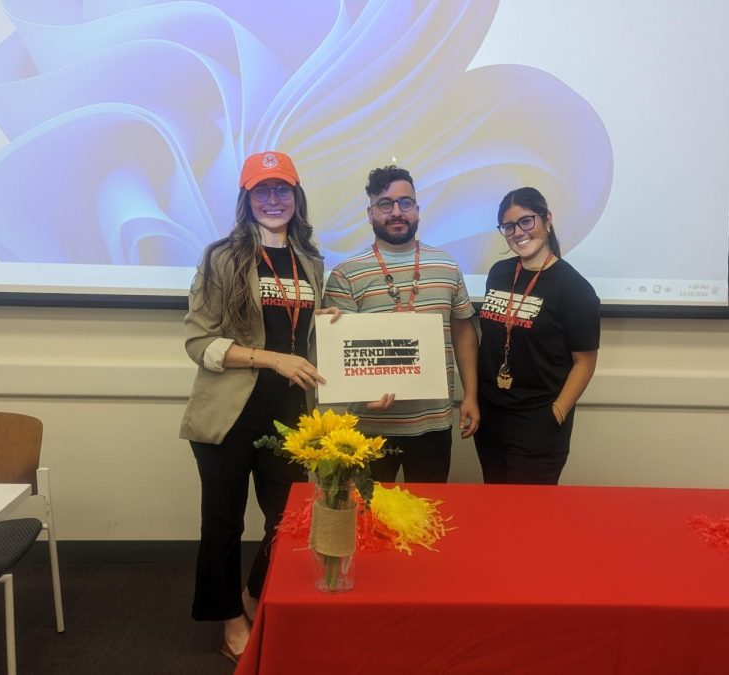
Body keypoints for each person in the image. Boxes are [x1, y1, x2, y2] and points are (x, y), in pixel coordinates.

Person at [180, 151, 337, 662]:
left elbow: (310, 343)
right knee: (223, 524)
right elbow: (199, 344)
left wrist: (345, 348)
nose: (273, 199)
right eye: (262, 190)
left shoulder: (311, 261)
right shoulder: (221, 257)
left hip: (291, 418)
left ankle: (252, 593)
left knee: (286, 522)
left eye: (282, 189)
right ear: (247, 200)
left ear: (297, 196)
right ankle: (229, 618)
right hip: (228, 418)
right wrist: (273, 358)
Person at [322, 165, 479, 483]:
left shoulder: (446, 266)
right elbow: (342, 355)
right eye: (385, 204)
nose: (397, 212)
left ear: (417, 210)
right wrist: (363, 392)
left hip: (433, 423)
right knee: (370, 522)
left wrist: (471, 396)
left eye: (405, 203)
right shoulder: (345, 273)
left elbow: (463, 332)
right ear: (370, 213)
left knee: (428, 518)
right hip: (369, 426)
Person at [474, 187, 599, 485]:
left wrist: (556, 413)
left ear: (547, 220)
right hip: (491, 417)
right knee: (496, 507)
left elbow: (584, 362)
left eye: (526, 221)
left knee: (527, 520)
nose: (518, 232)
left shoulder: (574, 289)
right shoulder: (499, 273)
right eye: (509, 226)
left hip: (537, 422)